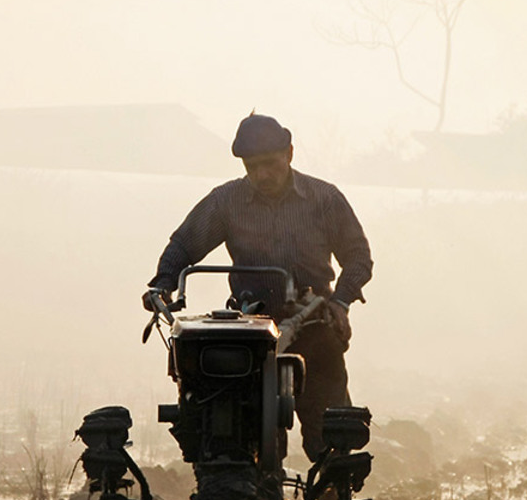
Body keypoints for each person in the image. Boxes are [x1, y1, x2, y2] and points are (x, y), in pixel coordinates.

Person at [143, 113, 373, 462]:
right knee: (237, 428)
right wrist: (163, 283)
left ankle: (332, 491)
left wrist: (340, 302)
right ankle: (250, 492)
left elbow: (358, 257)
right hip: (250, 331)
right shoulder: (226, 202)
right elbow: (184, 245)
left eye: (269, 164)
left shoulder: (324, 199)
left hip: (314, 323)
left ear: (290, 154)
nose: (262, 175)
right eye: (252, 167)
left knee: (331, 438)